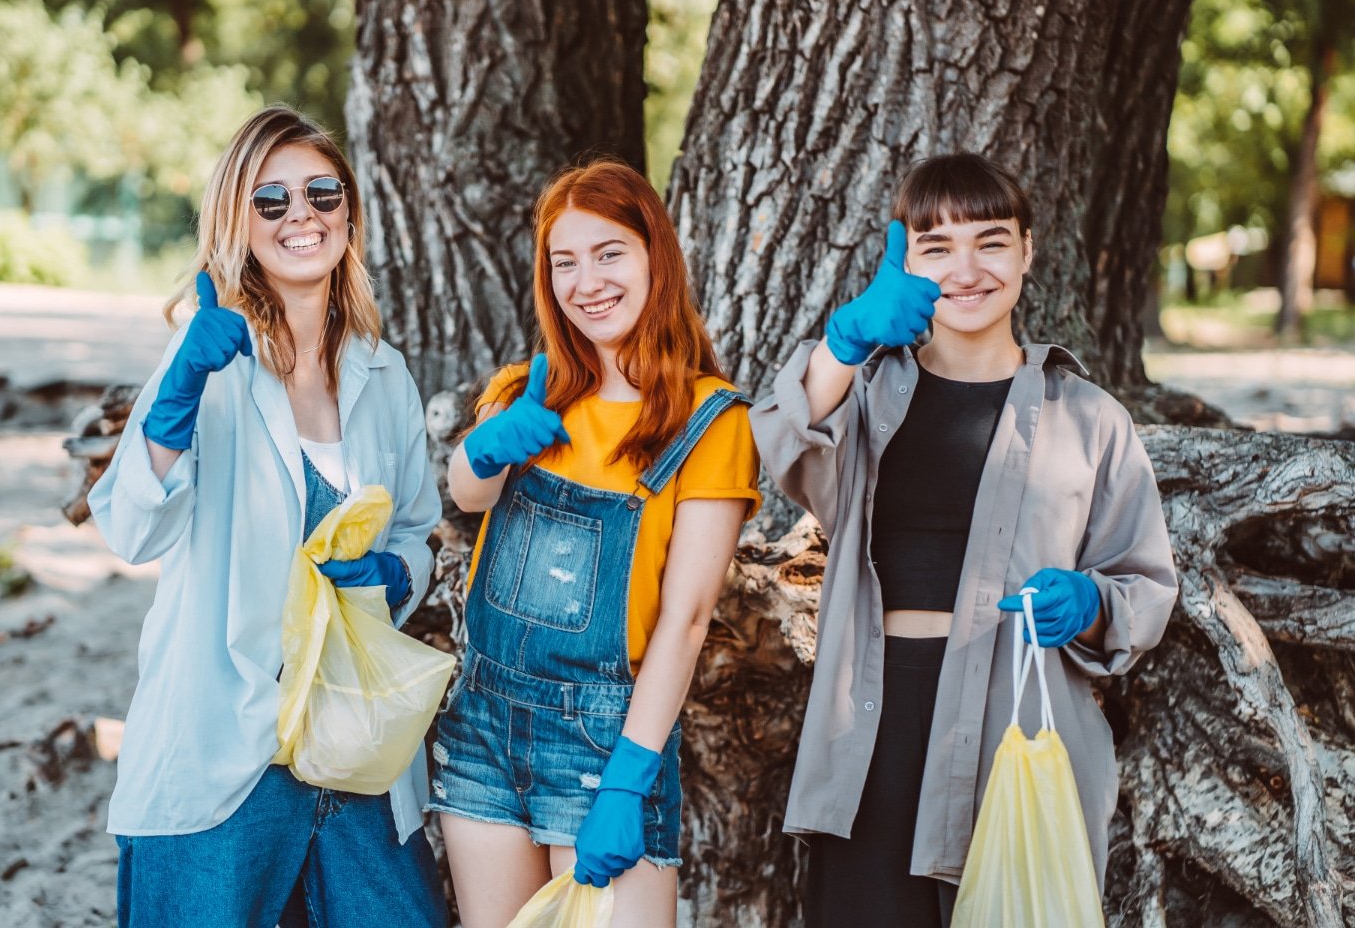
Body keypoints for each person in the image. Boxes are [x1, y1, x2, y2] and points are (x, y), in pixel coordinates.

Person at [749, 153, 1177, 927]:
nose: (967, 268)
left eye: (991, 240)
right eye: (937, 246)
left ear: (1028, 252)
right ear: (904, 262)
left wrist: (1088, 602)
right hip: (869, 733)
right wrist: (841, 346)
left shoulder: (1089, 416)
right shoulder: (869, 393)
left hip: (1016, 725)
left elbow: (1143, 586)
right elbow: (783, 445)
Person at [89, 106, 445, 928]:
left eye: (321, 193)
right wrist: (175, 403)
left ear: (349, 213)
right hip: (222, 749)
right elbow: (134, 529)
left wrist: (396, 573)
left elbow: (415, 529)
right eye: (271, 200)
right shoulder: (207, 357)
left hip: (349, 747)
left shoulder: (382, 374)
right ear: (238, 221)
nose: (301, 216)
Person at [429, 159, 761, 928]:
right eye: (564, 262)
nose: (588, 282)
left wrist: (629, 779)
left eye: (609, 252)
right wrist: (484, 449)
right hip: (481, 722)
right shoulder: (527, 388)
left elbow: (685, 618)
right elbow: (468, 497)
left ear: (655, 257)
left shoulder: (710, 420)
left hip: (605, 741)